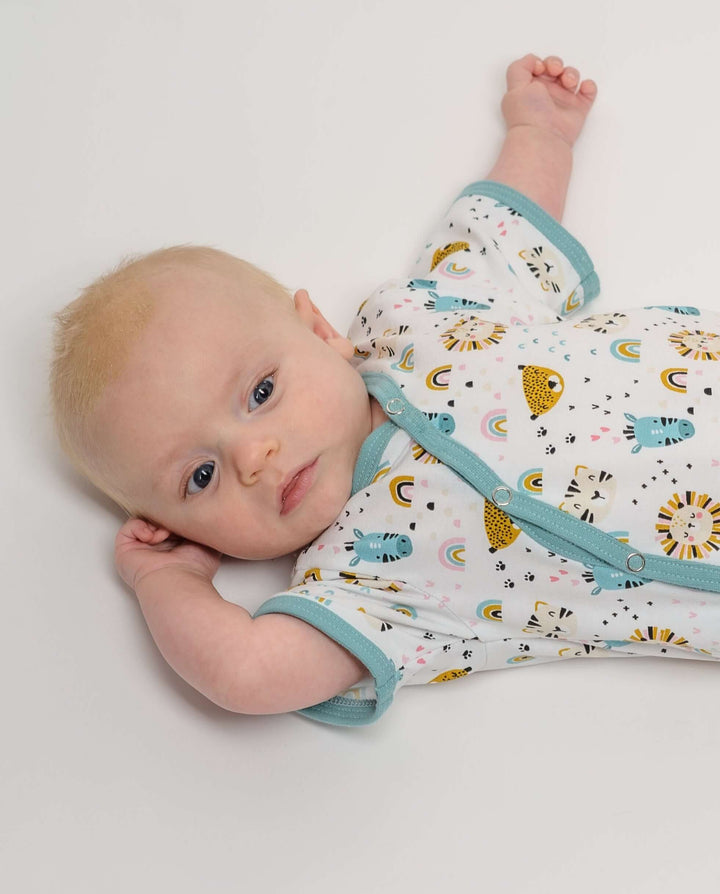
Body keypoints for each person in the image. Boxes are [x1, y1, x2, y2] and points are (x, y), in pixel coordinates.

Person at [50, 54, 720, 727]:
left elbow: (500, 236)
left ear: (319, 331)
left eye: (260, 392)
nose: (253, 457)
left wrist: (539, 133)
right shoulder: (361, 580)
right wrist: (168, 579)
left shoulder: (416, 319)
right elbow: (245, 672)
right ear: (178, 530)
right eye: (201, 476)